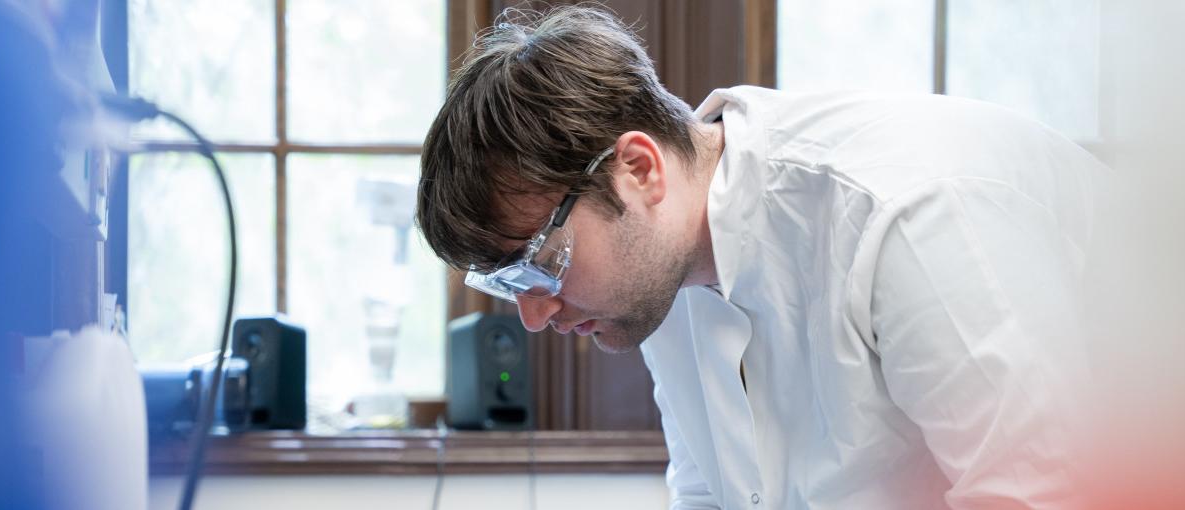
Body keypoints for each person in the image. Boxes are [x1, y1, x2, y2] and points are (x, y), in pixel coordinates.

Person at [415, 5, 1105, 510]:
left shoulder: (901, 211)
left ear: (638, 170)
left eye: (541, 261)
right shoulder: (659, 272)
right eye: (508, 286)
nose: (534, 317)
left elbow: (1038, 494)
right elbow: (712, 496)